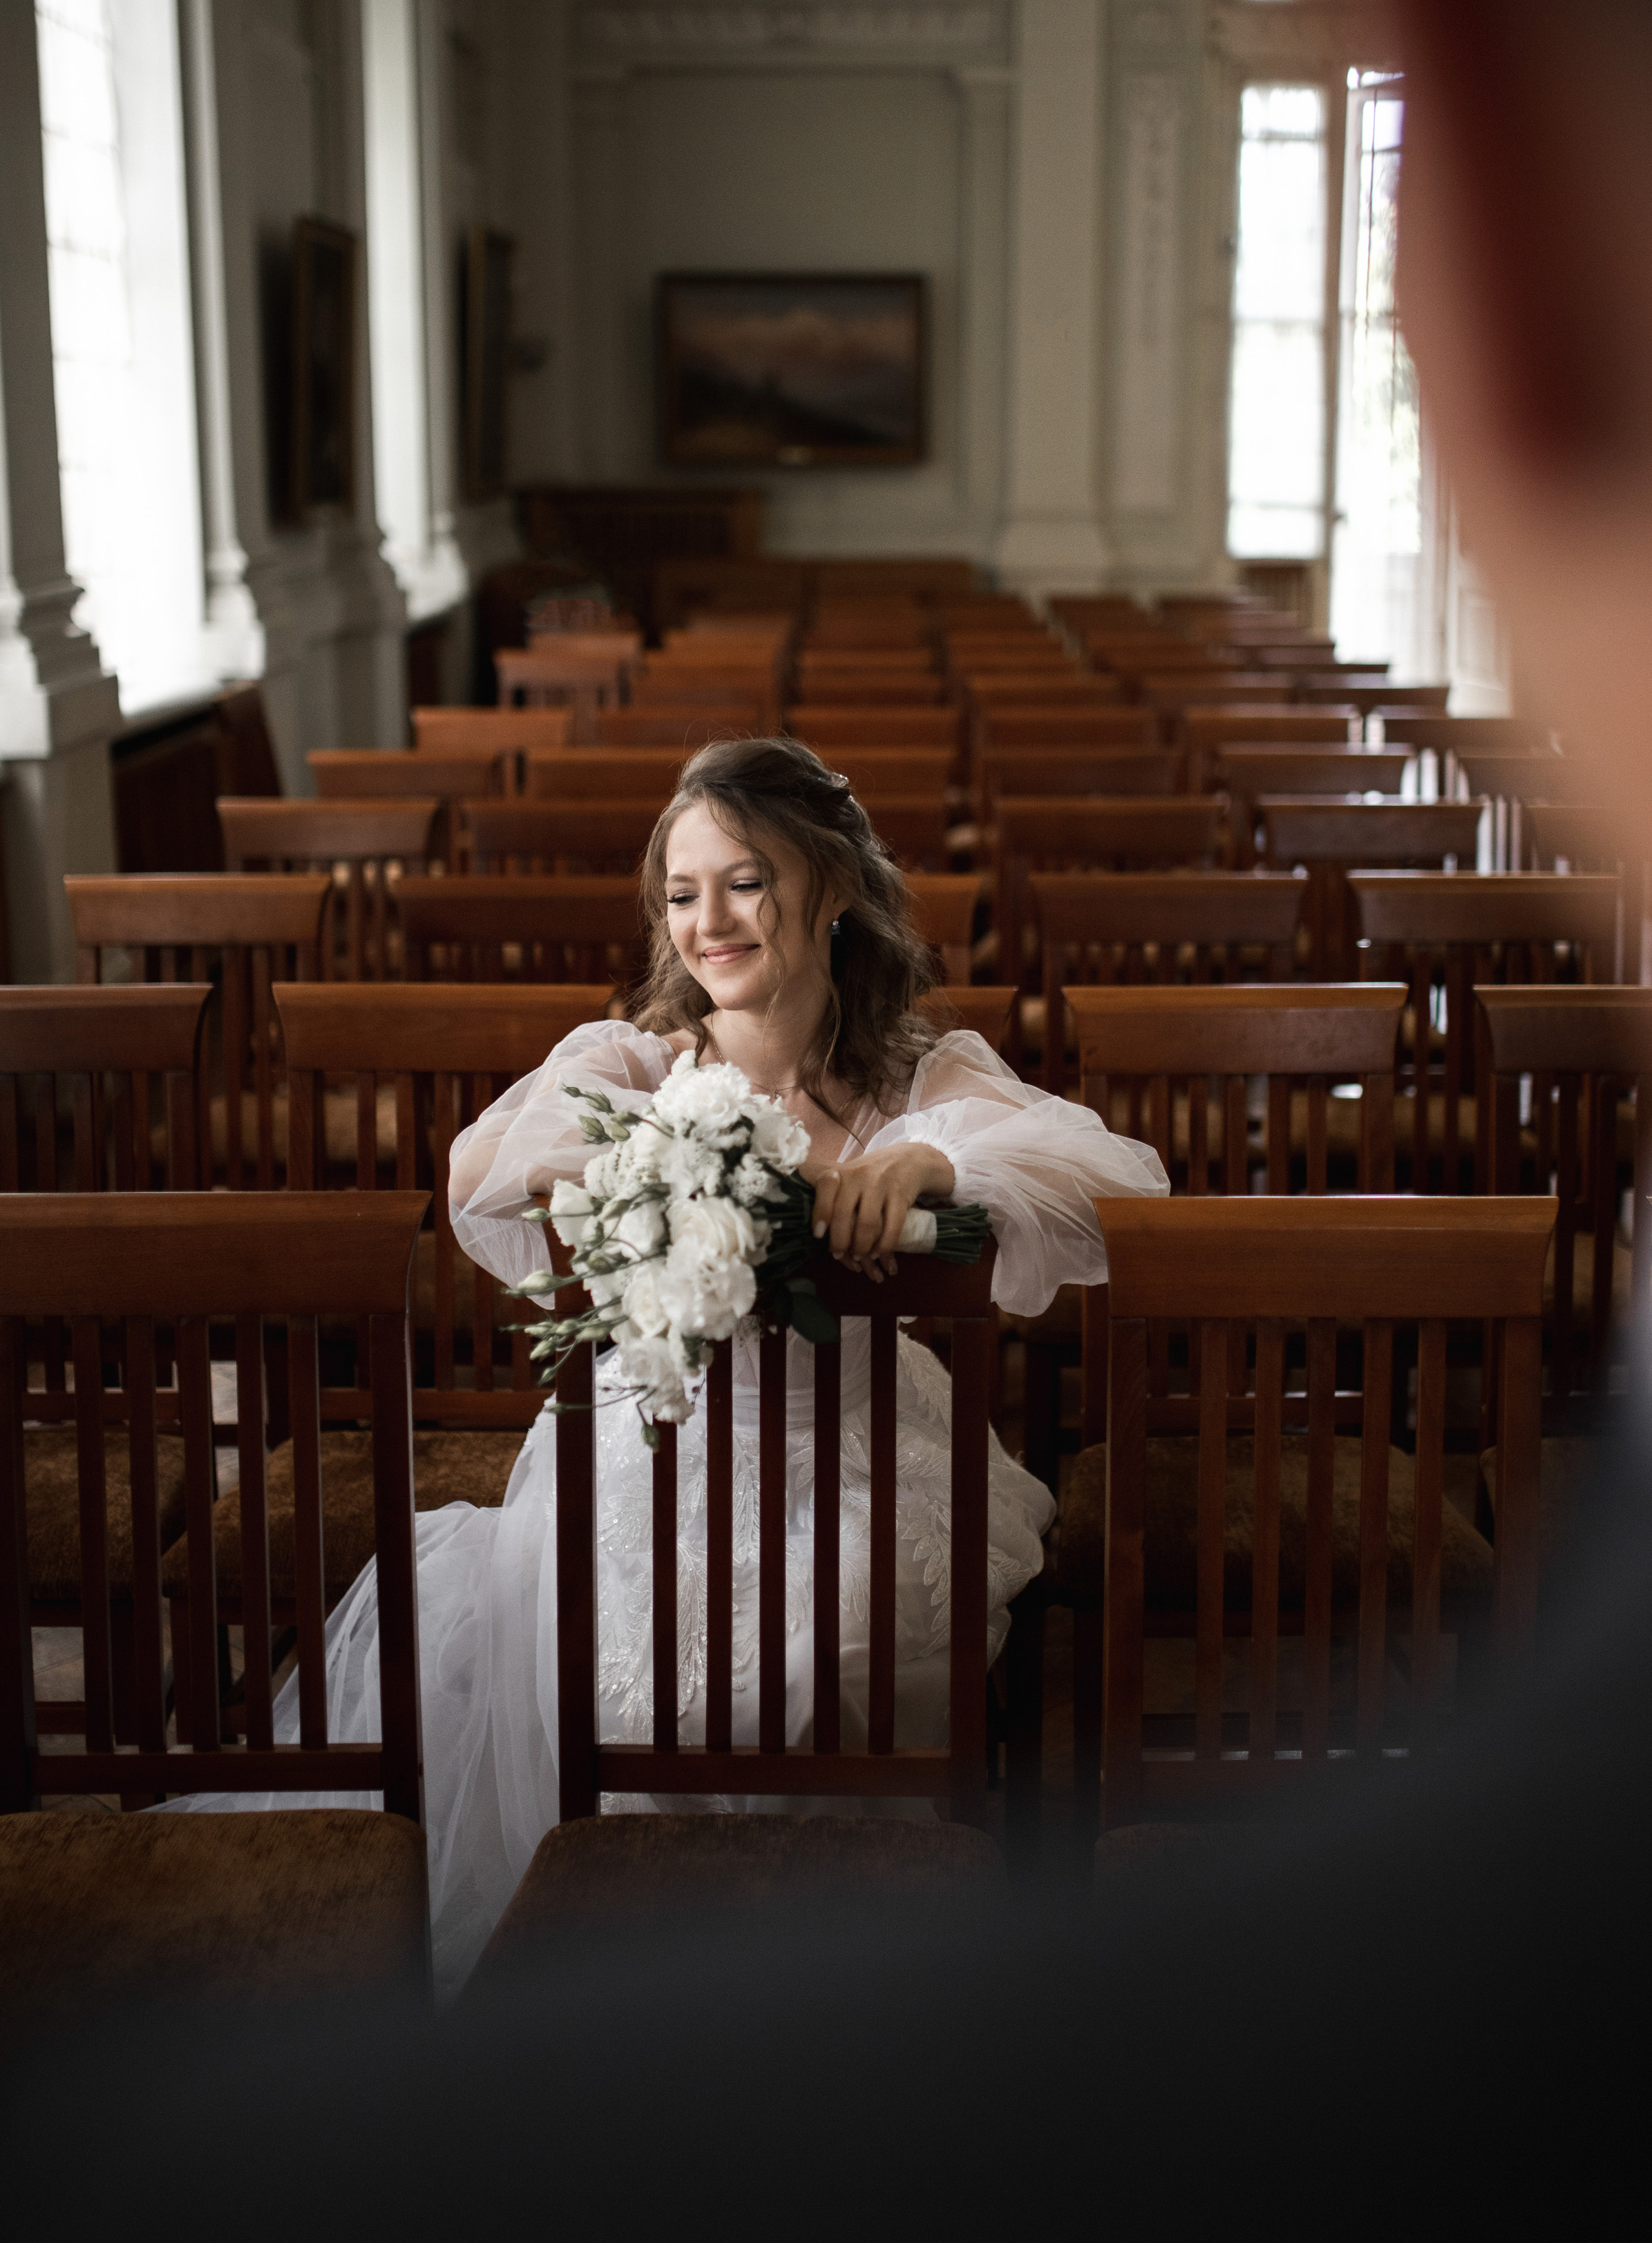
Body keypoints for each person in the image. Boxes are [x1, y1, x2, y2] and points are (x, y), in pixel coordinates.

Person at [168, 737, 1166, 1994]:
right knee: (628, 1665)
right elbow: (487, 1175)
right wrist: (686, 1162)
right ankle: (640, 1975)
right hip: (645, 1453)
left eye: (746, 882)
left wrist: (942, 1163)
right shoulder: (638, 1060)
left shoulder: (927, 1077)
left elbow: (1123, 1181)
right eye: (683, 894)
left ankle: (844, 1960)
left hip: (862, 1451)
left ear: (837, 888)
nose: (711, 921)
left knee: (833, 1643)